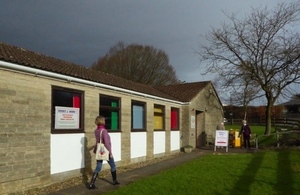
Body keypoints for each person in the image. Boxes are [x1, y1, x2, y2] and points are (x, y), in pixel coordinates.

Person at [89, 115, 120, 190]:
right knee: (113, 165)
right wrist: (110, 152)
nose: (105, 121)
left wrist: (94, 149)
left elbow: (98, 141)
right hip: (106, 151)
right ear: (102, 121)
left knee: (98, 167)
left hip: (99, 151)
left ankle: (91, 183)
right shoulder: (104, 131)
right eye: (104, 120)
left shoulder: (96, 131)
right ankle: (114, 181)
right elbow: (106, 143)